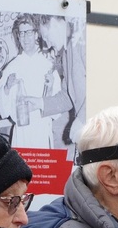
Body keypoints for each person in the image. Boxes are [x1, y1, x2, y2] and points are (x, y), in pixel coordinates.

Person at [0, 14, 60, 148]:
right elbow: (2, 109)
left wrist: (51, 87)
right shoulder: (11, 67)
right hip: (21, 133)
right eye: (21, 33)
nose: (25, 37)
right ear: (18, 37)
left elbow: (58, 104)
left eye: (28, 32)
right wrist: (6, 88)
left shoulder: (48, 65)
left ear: (36, 35)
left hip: (42, 131)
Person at [23, 14, 86, 152]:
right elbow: (67, 96)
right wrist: (40, 103)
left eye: (46, 36)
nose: (47, 44)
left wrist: (82, 119)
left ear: (53, 22)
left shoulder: (83, 38)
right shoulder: (66, 53)